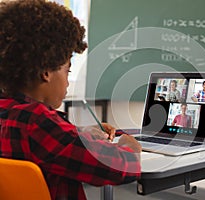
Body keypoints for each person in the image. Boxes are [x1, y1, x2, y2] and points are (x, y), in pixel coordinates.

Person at [0, 1, 141, 200]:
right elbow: (119, 168)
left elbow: (49, 144)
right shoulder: (39, 122)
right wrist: (129, 147)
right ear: (46, 72)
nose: (67, 81)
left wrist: (79, 133)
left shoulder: (10, 112)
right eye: (68, 70)